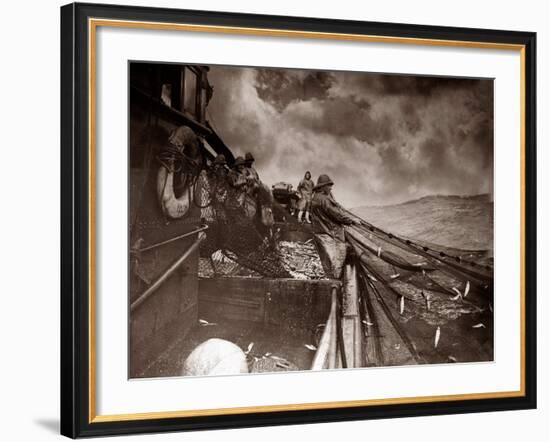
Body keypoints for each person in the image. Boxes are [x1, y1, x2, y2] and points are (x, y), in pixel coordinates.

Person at [311, 174, 358, 242]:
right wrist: (352, 221)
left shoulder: (315, 197)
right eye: (329, 185)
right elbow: (337, 214)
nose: (331, 188)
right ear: (323, 186)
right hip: (332, 234)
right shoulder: (325, 199)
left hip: (320, 232)